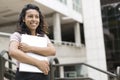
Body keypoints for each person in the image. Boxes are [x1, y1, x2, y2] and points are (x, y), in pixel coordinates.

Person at [9, 4, 56, 80]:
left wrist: (30, 48)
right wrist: (38, 63)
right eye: (30, 16)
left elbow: (52, 51)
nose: (34, 19)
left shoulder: (43, 36)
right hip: (24, 75)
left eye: (37, 17)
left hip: (42, 74)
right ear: (24, 19)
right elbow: (13, 52)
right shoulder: (17, 35)